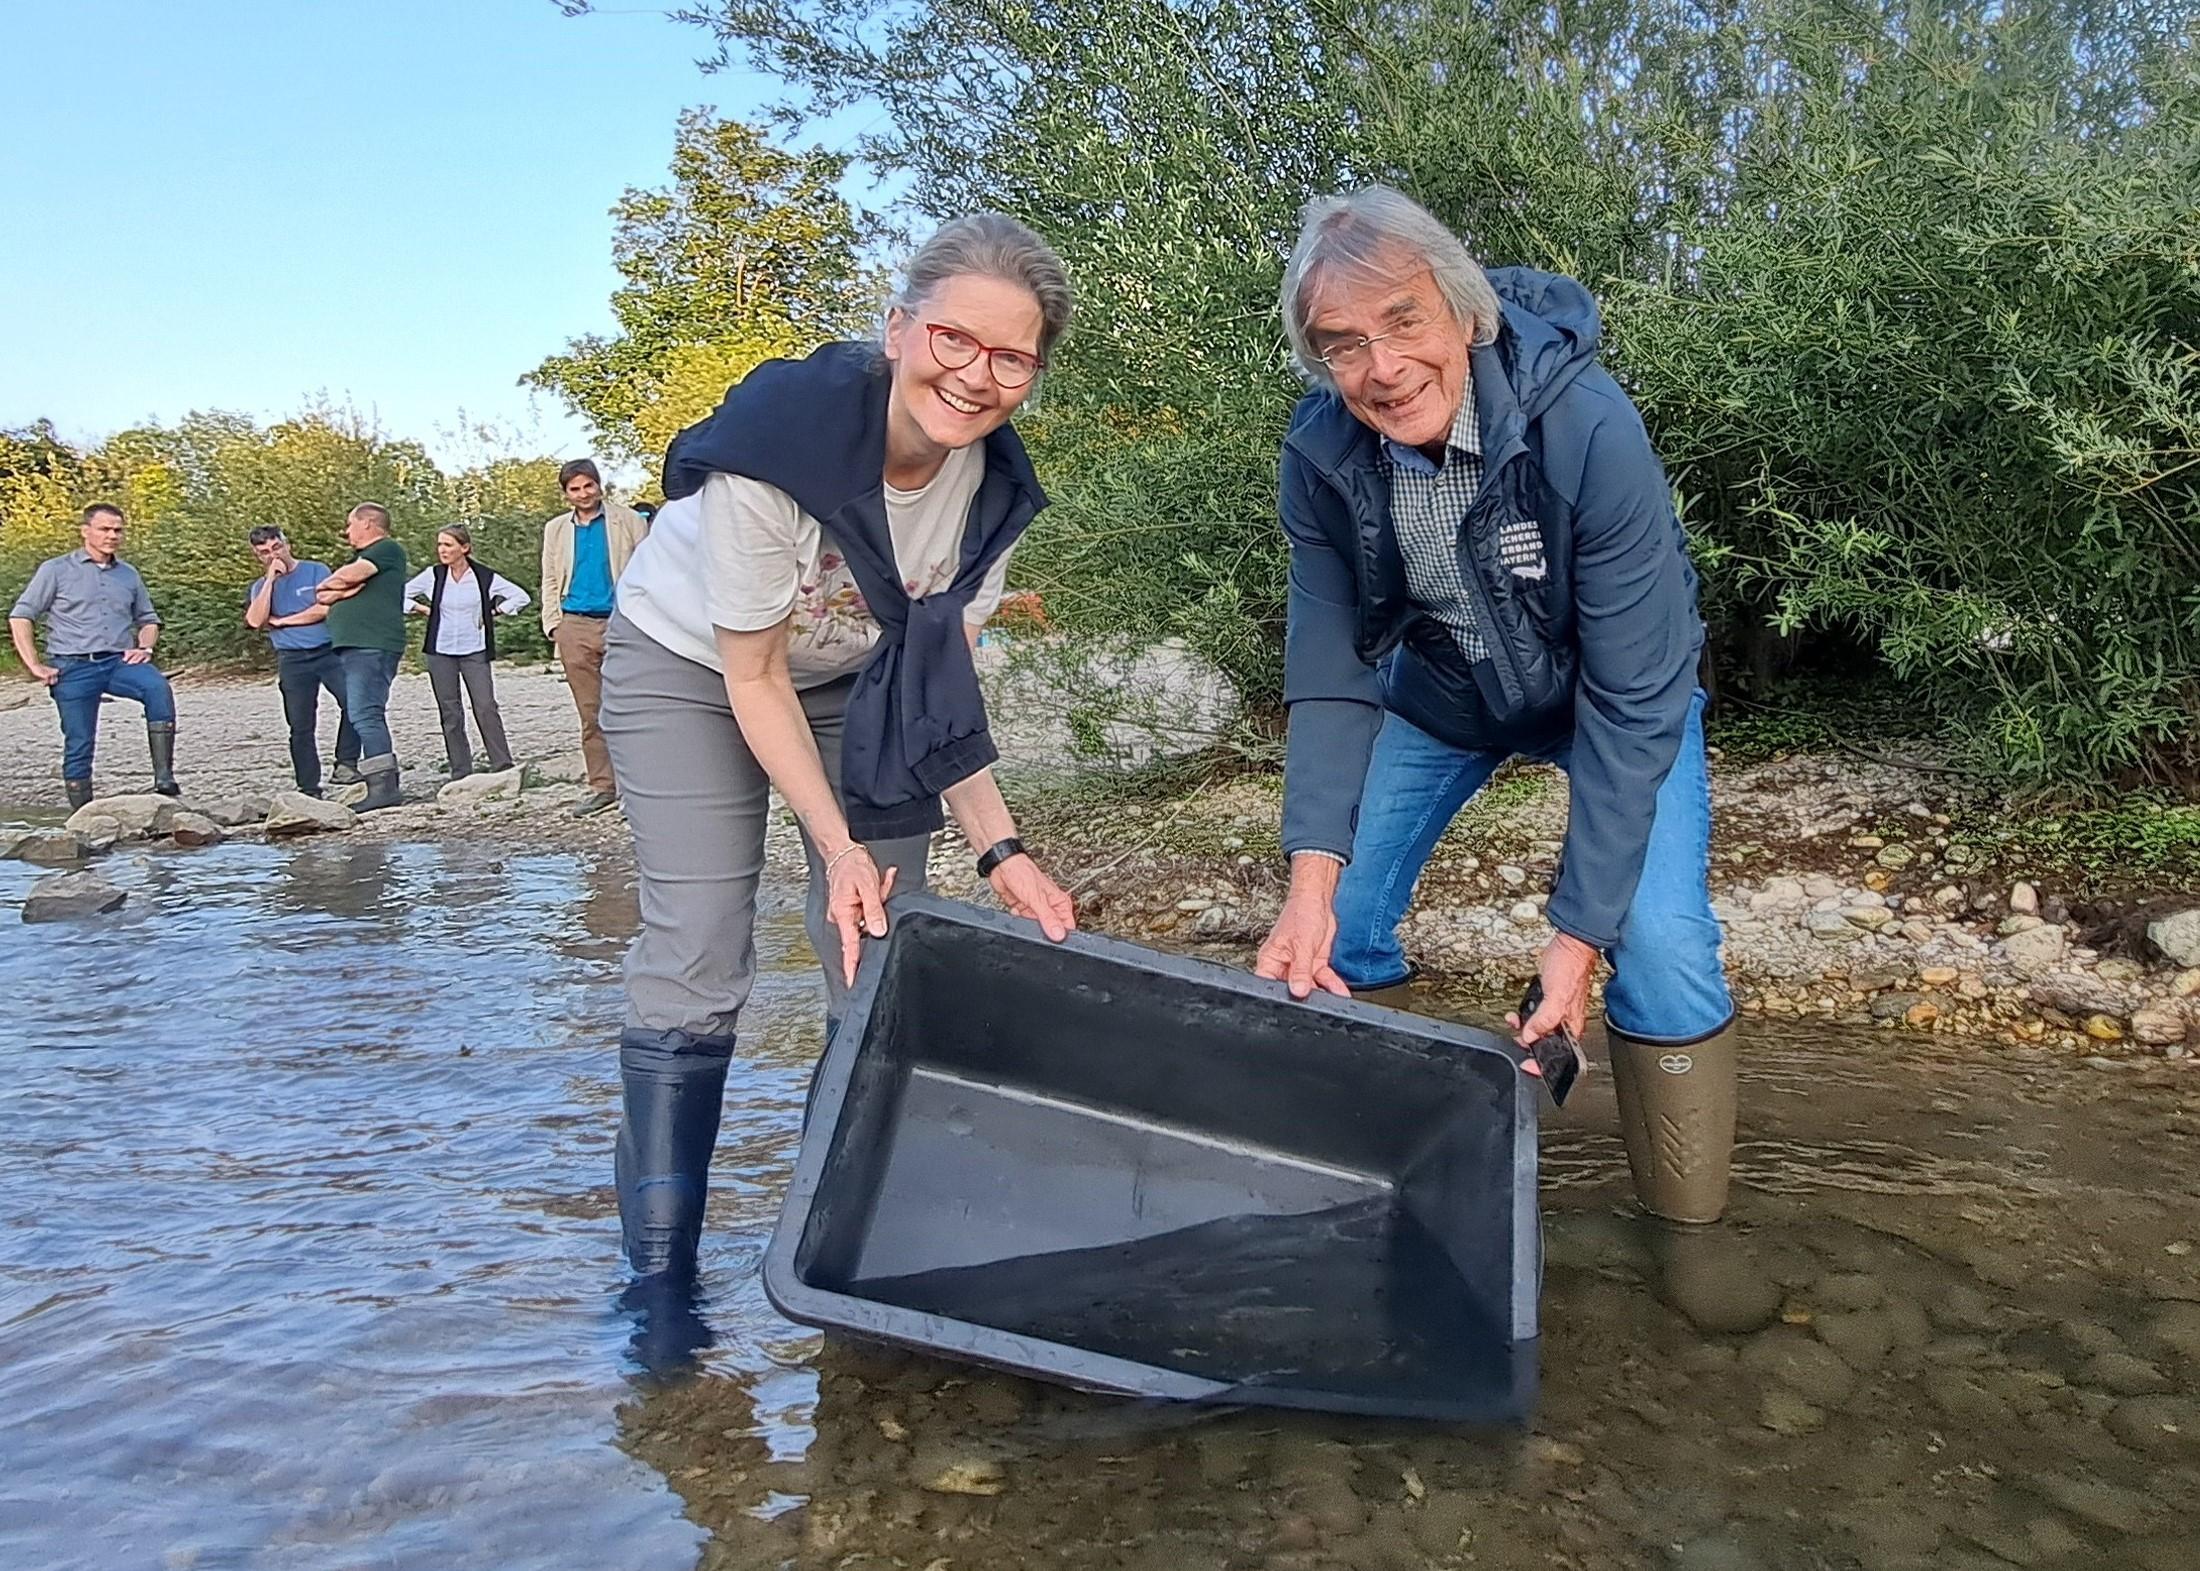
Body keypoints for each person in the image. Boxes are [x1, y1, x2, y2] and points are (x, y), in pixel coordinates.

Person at [600, 212, 1080, 1344]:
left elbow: (937, 671)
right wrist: (835, 845)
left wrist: (1001, 848)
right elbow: (753, 673)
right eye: (954, 339)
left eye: (1012, 357)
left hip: (858, 685)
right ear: (900, 327)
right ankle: (661, 1287)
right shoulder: (787, 442)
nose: (976, 375)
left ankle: (829, 1251)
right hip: (689, 662)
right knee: (701, 945)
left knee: (872, 951)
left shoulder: (989, 493)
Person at [1254, 187, 1737, 1224]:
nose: (1380, 368)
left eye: (1402, 321)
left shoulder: (1584, 425)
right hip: (1440, 696)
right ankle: (1370, 1189)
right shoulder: (1320, 458)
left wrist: (1572, 941)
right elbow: (1331, 673)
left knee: (1655, 942)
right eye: (1343, 345)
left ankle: (1687, 1238)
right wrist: (1308, 880)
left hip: (1609, 701)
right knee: (1323, 936)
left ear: (1464, 314)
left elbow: (1635, 692)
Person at [9, 503, 180, 807]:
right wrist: (33, 664)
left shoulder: (128, 574)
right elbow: (21, 615)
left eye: (117, 530)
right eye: (105, 529)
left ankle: (164, 778)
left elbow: (148, 619)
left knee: (158, 688)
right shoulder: (56, 570)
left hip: (117, 661)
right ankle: (81, 816)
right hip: (72, 664)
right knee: (79, 740)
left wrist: (145, 647)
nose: (112, 535)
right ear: (86, 531)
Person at [540, 459, 648, 817]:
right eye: (575, 488)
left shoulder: (628, 521)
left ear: (600, 486)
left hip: (622, 621)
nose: (583, 494)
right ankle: (602, 785)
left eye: (589, 486)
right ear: (566, 493)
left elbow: (649, 570)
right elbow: (550, 578)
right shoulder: (556, 529)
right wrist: (554, 625)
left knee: (632, 705)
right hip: (576, 624)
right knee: (591, 711)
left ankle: (642, 785)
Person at [402, 525, 530, 779]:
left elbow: (520, 596)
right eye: (440, 544)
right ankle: (460, 770)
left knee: (485, 706)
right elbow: (398, 595)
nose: (442, 550)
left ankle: (502, 764)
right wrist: (421, 609)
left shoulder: (483, 576)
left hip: (475, 648)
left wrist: (496, 612)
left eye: (448, 545)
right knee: (450, 710)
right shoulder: (434, 575)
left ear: (464, 548)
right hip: (441, 649)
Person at [243, 526, 359, 796]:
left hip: (327, 650)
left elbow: (323, 608)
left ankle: (346, 762)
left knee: (354, 702)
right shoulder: (261, 587)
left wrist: (283, 621)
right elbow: (255, 620)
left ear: (287, 544)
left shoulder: (315, 571)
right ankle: (308, 785)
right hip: (292, 659)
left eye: (276, 548)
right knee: (300, 724)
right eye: (265, 553)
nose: (273, 555)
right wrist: (271, 580)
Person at [314, 502, 409, 811]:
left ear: (368, 524)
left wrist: (340, 586)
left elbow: (344, 577)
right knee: (361, 711)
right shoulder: (368, 556)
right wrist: (342, 592)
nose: (347, 531)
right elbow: (324, 593)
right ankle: (379, 782)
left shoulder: (386, 549)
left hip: (372, 644)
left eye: (350, 524)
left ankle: (383, 786)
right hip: (357, 646)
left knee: (365, 712)